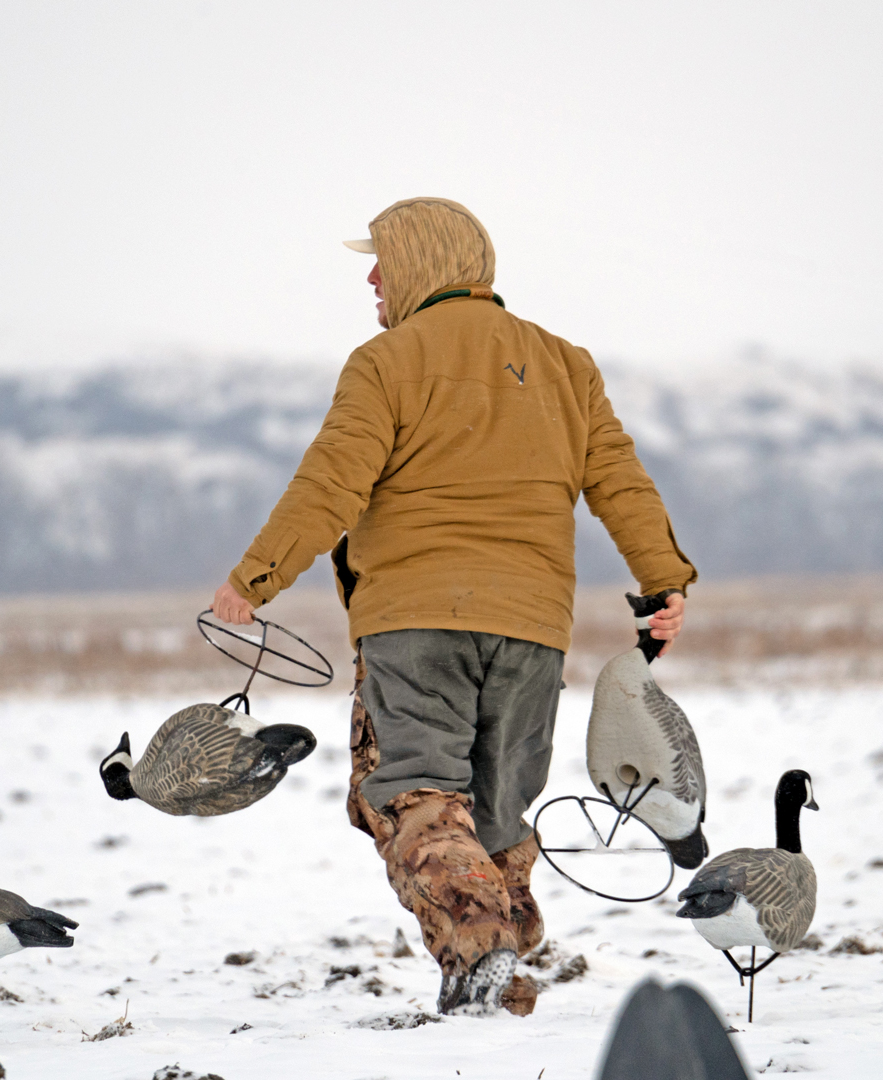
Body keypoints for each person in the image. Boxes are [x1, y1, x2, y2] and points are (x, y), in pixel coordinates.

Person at [209, 197, 696, 1016]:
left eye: (383, 259)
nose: (371, 276)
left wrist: (254, 579)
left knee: (415, 799)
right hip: (533, 634)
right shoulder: (566, 365)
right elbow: (621, 482)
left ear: (425, 261)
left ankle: (481, 959)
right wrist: (663, 582)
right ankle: (504, 976)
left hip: (414, 625)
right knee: (496, 811)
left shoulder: (387, 361)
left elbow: (331, 483)